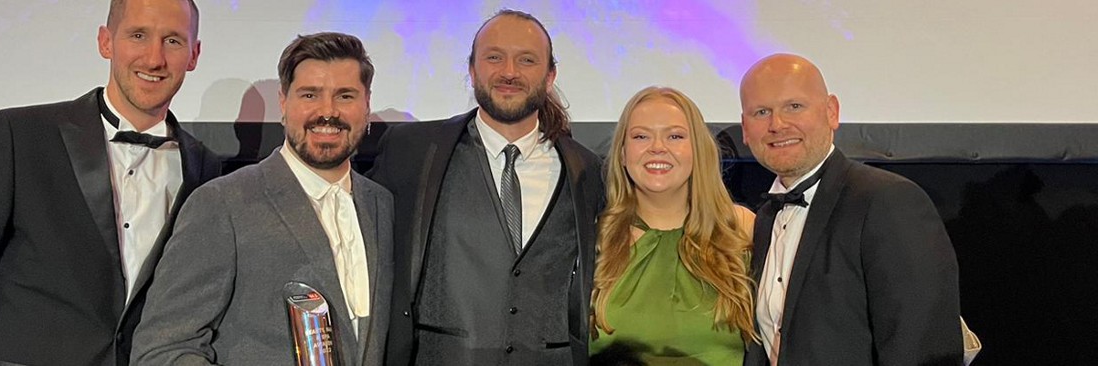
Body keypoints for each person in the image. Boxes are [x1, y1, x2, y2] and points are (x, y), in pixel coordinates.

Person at [0, 0, 218, 364]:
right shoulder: (19, 135)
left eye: (172, 41)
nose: (154, 58)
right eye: (138, 36)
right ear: (105, 42)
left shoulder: (204, 169)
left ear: (194, 54)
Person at [130, 32, 393, 365]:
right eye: (310, 94)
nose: (328, 111)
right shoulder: (222, 204)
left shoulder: (382, 205)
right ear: (283, 103)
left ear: (367, 104)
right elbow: (162, 349)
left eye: (345, 95)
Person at [369, 9, 604, 365]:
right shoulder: (411, 152)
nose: (509, 72)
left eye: (526, 60)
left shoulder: (587, 170)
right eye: (494, 57)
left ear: (550, 74)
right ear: (472, 68)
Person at [738, 53, 962, 365]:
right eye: (761, 112)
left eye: (794, 106)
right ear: (745, 130)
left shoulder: (888, 200)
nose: (777, 124)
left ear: (831, 112)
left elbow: (922, 348)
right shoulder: (763, 218)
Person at [588, 86, 756, 365]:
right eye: (641, 136)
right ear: (622, 154)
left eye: (675, 136)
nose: (657, 147)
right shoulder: (593, 237)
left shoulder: (740, 229)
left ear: (698, 150)